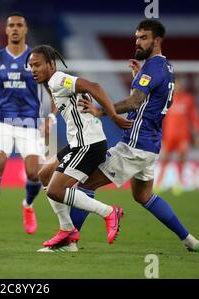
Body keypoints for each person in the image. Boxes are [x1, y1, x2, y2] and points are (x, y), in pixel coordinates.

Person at [74, 19, 199, 252]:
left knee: (83, 183)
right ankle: (189, 240)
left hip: (135, 144)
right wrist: (138, 76)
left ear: (157, 40)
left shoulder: (153, 68)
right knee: (144, 196)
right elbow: (147, 103)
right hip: (151, 146)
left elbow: (135, 102)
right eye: (136, 37)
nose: (138, 42)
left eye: (143, 37)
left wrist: (100, 110)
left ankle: (68, 242)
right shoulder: (166, 68)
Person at [27, 44, 134, 252]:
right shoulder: (52, 84)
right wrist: (50, 118)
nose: (33, 69)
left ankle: (109, 212)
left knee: (56, 191)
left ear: (51, 64)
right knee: (44, 175)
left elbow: (94, 86)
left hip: (88, 144)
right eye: (31, 66)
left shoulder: (58, 79)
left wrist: (112, 115)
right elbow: (56, 98)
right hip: (78, 142)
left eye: (37, 65)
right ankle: (67, 232)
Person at [0, 12, 53, 241]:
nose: (15, 29)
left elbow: (54, 94)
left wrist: (51, 120)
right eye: (11, 26)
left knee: (34, 173)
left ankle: (27, 204)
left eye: (19, 25)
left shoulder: (36, 59)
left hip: (29, 124)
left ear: (26, 29)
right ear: (6, 30)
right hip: (1, 122)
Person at [155, 77, 199, 195]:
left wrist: (198, 134)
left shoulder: (188, 99)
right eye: (177, 85)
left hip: (183, 137)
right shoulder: (168, 100)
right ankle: (159, 183)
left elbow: (194, 117)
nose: (178, 87)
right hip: (169, 136)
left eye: (180, 85)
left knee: (182, 159)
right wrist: (159, 135)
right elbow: (161, 119)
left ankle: (179, 183)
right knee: (164, 160)